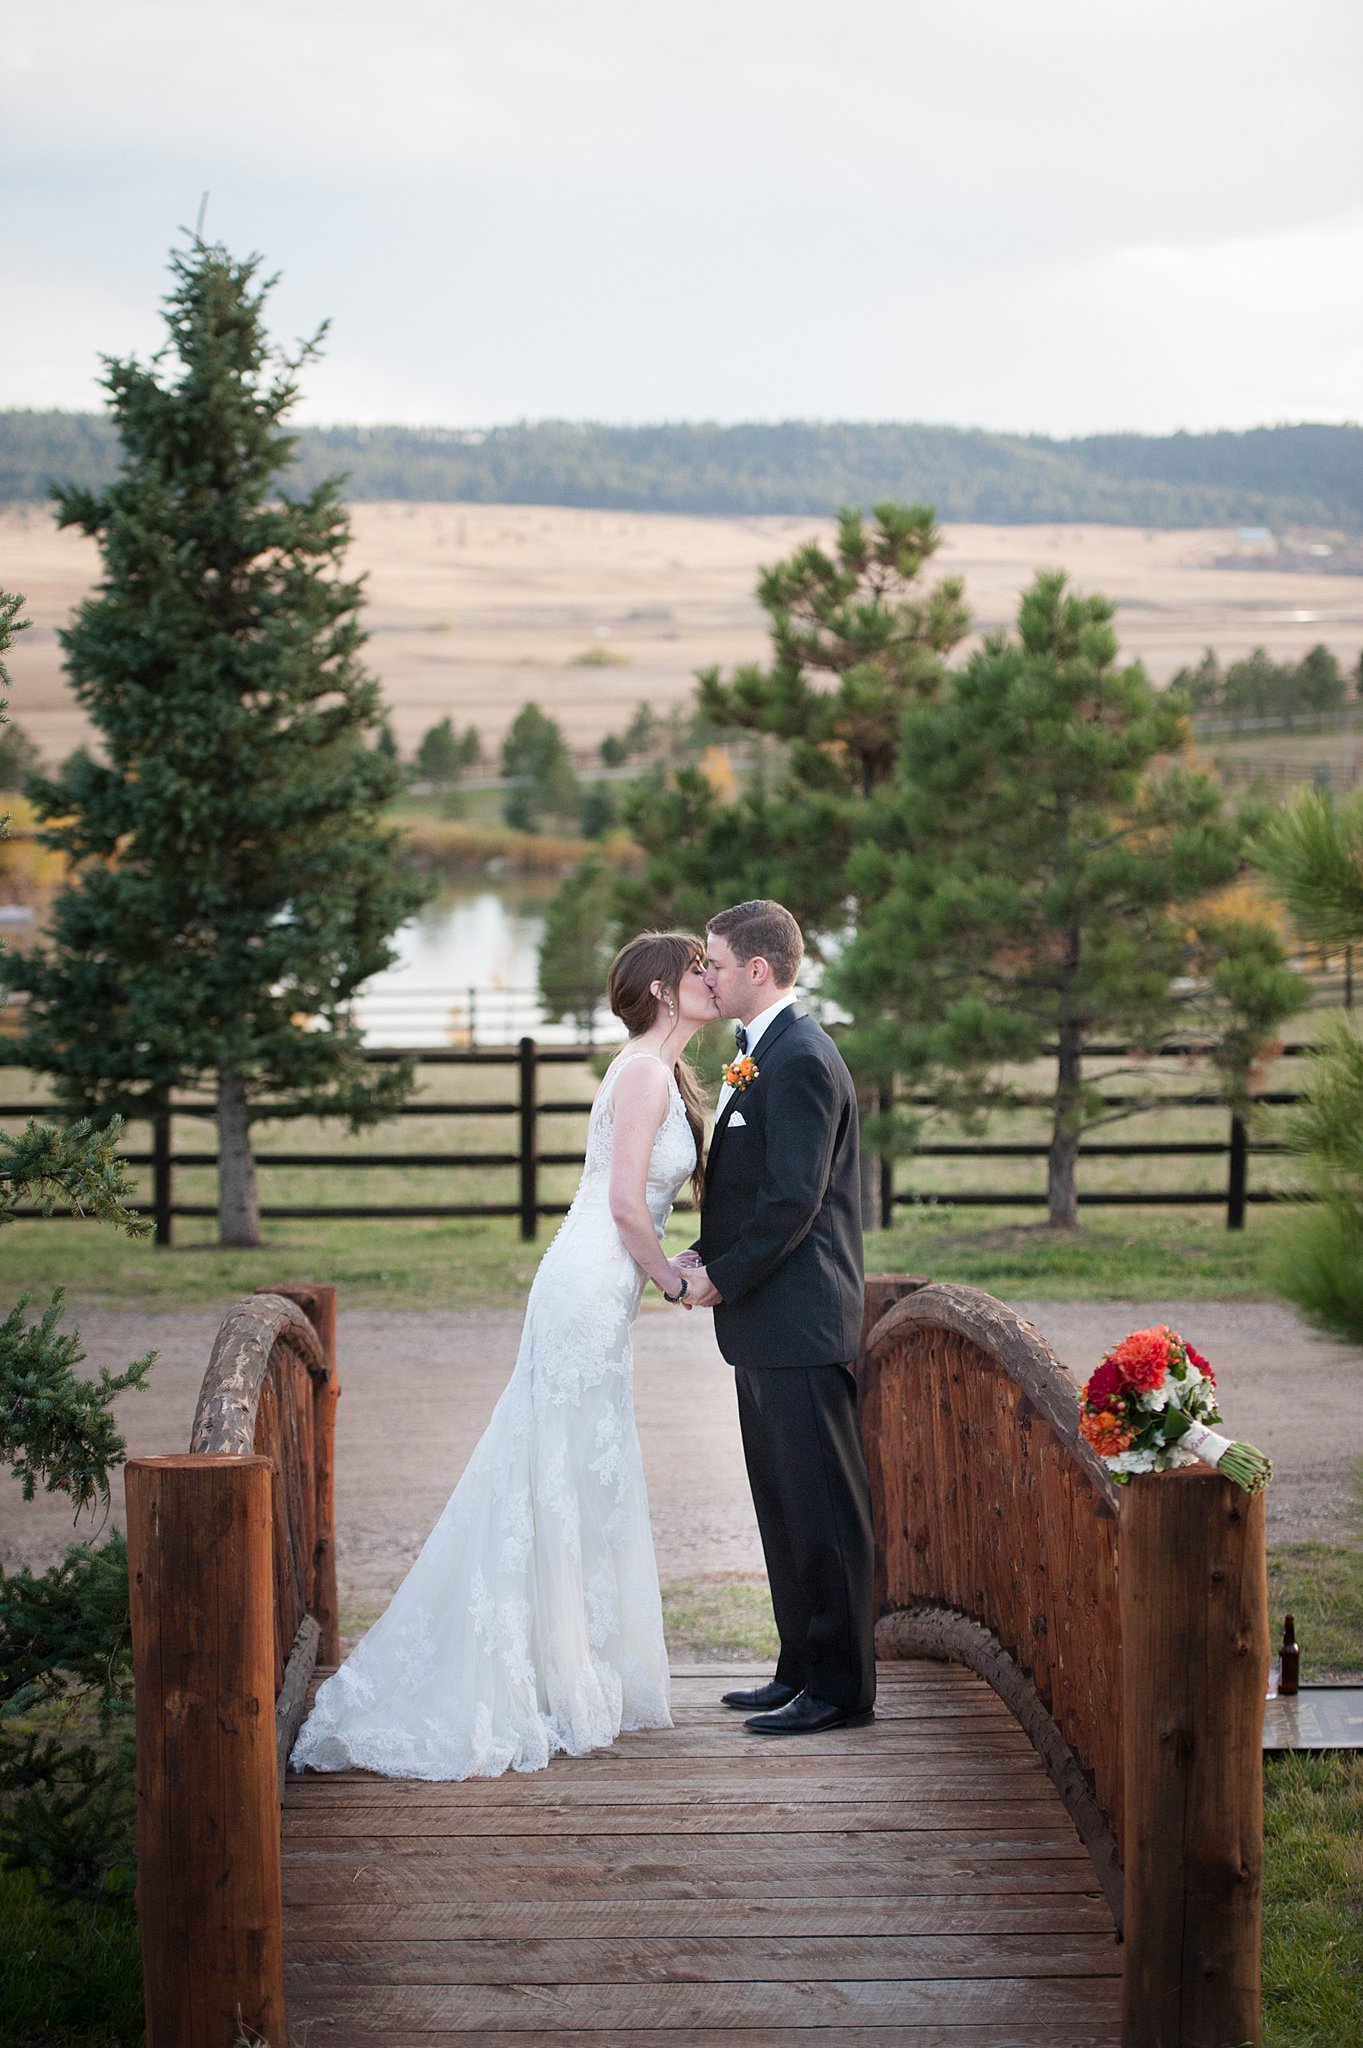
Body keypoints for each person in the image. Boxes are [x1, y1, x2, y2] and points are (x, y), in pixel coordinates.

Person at [290, 931, 716, 1781]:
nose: (710, 980)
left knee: (571, 1467)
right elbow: (628, 1209)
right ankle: (535, 1677)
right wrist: (672, 1282)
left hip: (599, 1287)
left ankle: (566, 1667)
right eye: (697, 970)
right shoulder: (639, 1072)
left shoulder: (659, 1071)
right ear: (666, 990)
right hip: (588, 1284)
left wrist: (687, 1261)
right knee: (551, 1467)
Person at [680, 898, 876, 1735]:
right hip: (770, 1322)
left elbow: (794, 1199)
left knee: (824, 1512)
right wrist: (702, 1250)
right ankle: (798, 1667)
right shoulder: (761, 1053)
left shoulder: (798, 1059)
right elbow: (752, 1187)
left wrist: (720, 1277)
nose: (706, 978)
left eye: (715, 964)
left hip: (799, 1322)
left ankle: (839, 1690)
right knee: (784, 1504)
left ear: (758, 970)